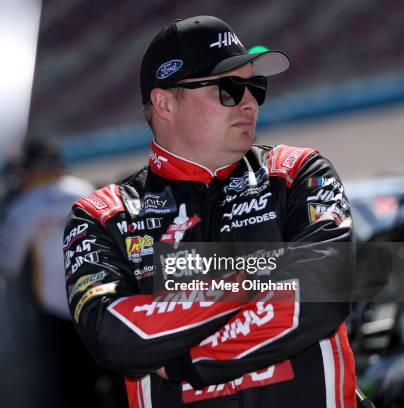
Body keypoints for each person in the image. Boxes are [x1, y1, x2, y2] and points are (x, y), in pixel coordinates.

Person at [63, 16, 356, 407]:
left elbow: (327, 286)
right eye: (229, 89)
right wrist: (267, 277)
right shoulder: (104, 215)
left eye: (256, 86)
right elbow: (112, 336)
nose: (250, 102)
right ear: (164, 102)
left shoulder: (296, 172)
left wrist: (187, 357)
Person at [0, 139, 127, 408]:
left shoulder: (21, 208)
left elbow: (7, 265)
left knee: (74, 389)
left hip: (58, 314)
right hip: (105, 303)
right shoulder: (87, 191)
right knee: (119, 381)